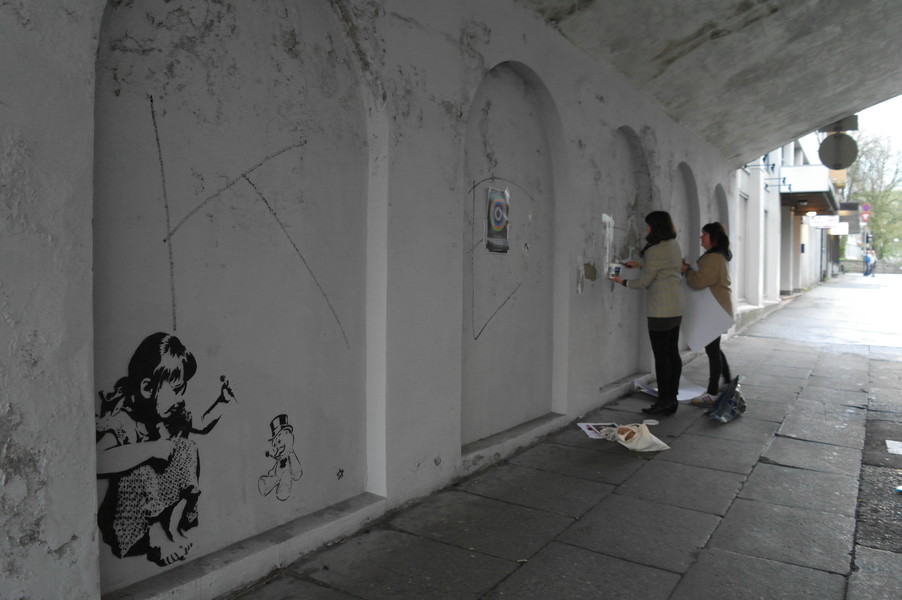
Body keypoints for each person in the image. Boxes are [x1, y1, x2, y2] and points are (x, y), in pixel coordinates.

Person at [96, 332, 235, 566]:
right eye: (177, 389)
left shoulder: (169, 415)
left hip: (160, 513)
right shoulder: (122, 420)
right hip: (128, 521)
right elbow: (99, 461)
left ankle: (171, 527)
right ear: (147, 388)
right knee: (141, 468)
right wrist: (149, 449)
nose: (181, 398)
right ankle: (156, 536)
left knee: (186, 447)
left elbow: (201, 424)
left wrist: (222, 401)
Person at [610, 211, 684, 415]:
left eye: (649, 225)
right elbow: (667, 265)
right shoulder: (673, 245)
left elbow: (644, 282)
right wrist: (640, 264)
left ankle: (663, 401)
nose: (646, 229)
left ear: (656, 227)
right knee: (672, 353)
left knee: (661, 357)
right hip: (676, 307)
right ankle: (672, 398)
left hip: (660, 310)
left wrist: (622, 281)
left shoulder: (654, 250)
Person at [681, 222, 733, 405]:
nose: (701, 237)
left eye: (704, 234)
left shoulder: (713, 258)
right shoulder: (718, 256)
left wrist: (686, 270)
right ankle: (727, 381)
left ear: (713, 237)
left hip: (714, 308)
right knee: (714, 347)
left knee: (712, 350)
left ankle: (712, 392)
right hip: (716, 307)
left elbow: (700, 281)